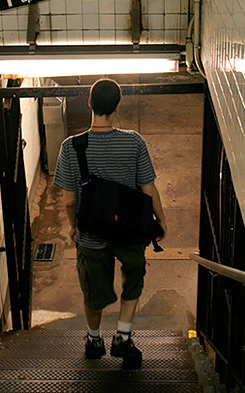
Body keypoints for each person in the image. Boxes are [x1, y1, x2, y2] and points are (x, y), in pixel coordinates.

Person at [53, 78, 167, 367]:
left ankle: (94, 340)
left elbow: (68, 201)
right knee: (133, 280)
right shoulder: (134, 141)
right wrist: (160, 222)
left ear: (89, 103)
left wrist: (72, 226)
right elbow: (148, 190)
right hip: (129, 230)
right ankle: (123, 337)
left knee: (93, 291)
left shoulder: (70, 147)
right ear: (118, 106)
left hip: (91, 234)